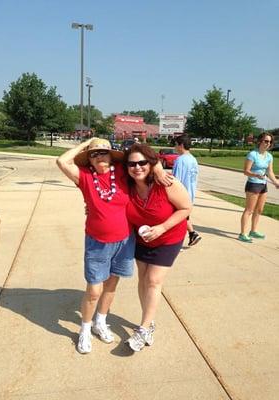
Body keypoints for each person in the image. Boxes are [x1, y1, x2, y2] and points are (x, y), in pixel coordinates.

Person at [56, 138, 171, 354]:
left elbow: (143, 157)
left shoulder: (121, 171)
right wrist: (87, 143)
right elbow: (62, 161)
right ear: (88, 160)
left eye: (103, 152)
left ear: (112, 156)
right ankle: (85, 330)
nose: (99, 156)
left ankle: (101, 322)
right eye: (94, 154)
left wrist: (159, 169)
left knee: (111, 286)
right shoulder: (85, 177)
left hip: (125, 241)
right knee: (94, 291)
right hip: (98, 243)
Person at [124, 143, 192, 351]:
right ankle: (149, 321)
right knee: (143, 279)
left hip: (168, 237)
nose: (137, 167)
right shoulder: (127, 184)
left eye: (142, 162)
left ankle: (143, 328)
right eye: (132, 164)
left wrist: (162, 228)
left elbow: (186, 207)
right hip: (142, 238)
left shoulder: (166, 183)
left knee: (153, 281)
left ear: (151, 163)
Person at [239, 132, 279, 242]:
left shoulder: (269, 156)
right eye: (266, 141)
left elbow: (270, 172)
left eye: (270, 142)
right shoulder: (253, 154)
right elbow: (246, 171)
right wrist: (255, 175)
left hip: (263, 185)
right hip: (253, 184)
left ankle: (253, 231)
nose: (268, 143)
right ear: (260, 141)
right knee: (249, 210)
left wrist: (276, 182)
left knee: (259, 209)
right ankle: (243, 233)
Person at [172, 135, 201, 246]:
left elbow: (176, 180)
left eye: (176, 145)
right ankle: (193, 234)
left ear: (181, 145)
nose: (174, 147)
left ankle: (178, 242)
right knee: (184, 216)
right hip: (190, 193)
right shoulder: (193, 159)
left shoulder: (180, 160)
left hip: (180, 194)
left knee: (178, 219)